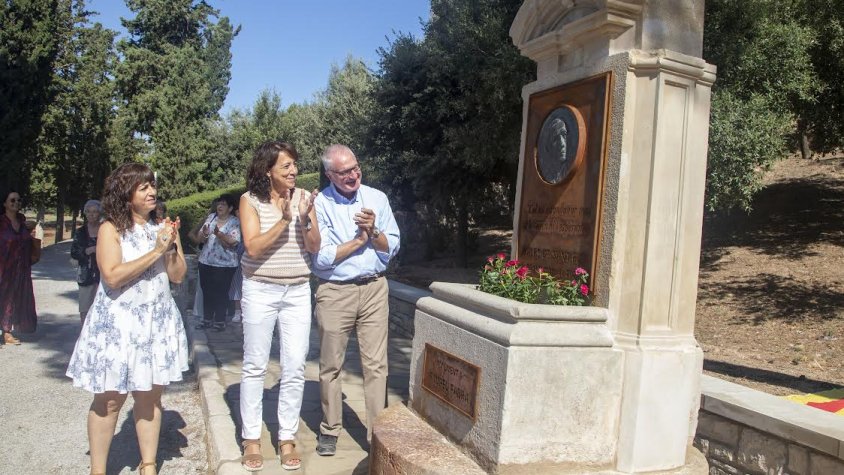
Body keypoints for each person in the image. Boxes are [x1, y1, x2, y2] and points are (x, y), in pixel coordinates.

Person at [65, 163, 189, 475]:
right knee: (108, 401)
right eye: (143, 187)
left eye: (152, 186)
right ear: (126, 193)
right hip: (118, 327)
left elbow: (178, 275)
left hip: (155, 323)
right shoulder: (111, 229)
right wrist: (155, 252)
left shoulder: (162, 228)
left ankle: (148, 466)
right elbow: (112, 276)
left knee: (149, 399)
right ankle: (98, 469)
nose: (152, 192)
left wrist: (170, 246)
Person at [312, 144, 400, 456]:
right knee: (331, 365)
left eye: (355, 167)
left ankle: (378, 435)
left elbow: (392, 246)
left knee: (377, 365)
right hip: (335, 292)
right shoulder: (319, 204)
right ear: (329, 175)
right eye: (344, 171)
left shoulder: (377, 198)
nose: (353, 175)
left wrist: (372, 232)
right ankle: (330, 428)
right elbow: (321, 258)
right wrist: (358, 241)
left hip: (375, 288)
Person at [238, 141, 320, 472]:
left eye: (294, 165)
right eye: (285, 166)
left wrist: (304, 220)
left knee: (295, 365)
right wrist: (284, 221)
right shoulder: (249, 200)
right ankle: (251, 438)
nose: (293, 171)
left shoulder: (304, 198)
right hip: (260, 288)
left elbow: (314, 246)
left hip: (298, 290)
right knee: (255, 364)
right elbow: (253, 247)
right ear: (267, 169)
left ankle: (286, 436)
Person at [188, 194, 241, 331]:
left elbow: (232, 242)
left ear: (230, 208)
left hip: (225, 264)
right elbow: (200, 239)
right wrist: (205, 234)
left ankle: (219, 321)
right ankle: (206, 319)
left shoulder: (235, 222)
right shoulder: (211, 218)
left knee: (221, 292)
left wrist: (219, 234)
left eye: (223, 204)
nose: (220, 206)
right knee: (207, 291)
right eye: (219, 204)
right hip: (206, 261)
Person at [0, 188, 38, 346]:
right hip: (3, 268)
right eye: (12, 200)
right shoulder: (1, 223)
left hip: (20, 268)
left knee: (13, 299)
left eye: (19, 200)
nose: (16, 203)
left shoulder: (23, 223)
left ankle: (7, 332)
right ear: (5, 204)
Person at [71, 199, 103, 323]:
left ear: (99, 214)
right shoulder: (80, 232)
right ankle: (83, 334)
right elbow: (74, 252)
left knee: (101, 307)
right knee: (85, 308)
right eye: (88, 212)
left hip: (102, 273)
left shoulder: (105, 230)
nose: (91, 214)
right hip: (85, 274)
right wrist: (87, 250)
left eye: (95, 212)